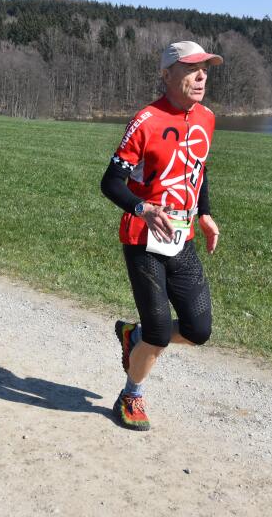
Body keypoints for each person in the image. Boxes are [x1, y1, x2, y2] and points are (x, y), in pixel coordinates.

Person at [100, 40, 223, 431]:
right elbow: (110, 182)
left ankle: (133, 336)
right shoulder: (146, 121)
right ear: (167, 74)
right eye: (191, 69)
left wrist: (205, 215)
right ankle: (131, 394)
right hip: (143, 237)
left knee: (197, 330)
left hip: (181, 238)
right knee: (158, 333)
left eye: (205, 69)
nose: (201, 77)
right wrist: (144, 209)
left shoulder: (206, 118)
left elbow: (198, 168)